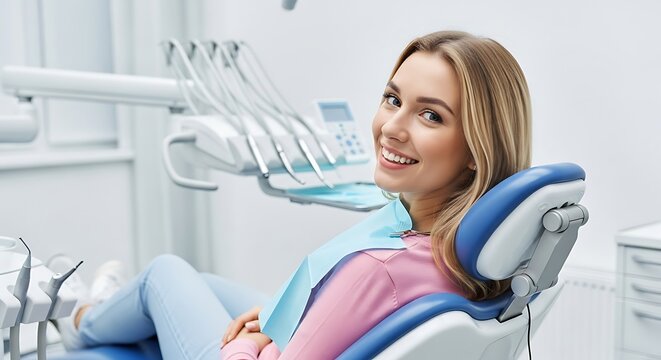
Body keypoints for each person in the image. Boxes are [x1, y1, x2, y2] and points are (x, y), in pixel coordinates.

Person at [56, 30, 531, 359]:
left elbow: (355, 297)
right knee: (202, 282)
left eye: (431, 116)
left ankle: (78, 320)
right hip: (324, 336)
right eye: (393, 99)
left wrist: (255, 344)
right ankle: (106, 308)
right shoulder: (467, 250)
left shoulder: (379, 269)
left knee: (165, 273)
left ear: (476, 148)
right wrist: (283, 315)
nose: (392, 128)